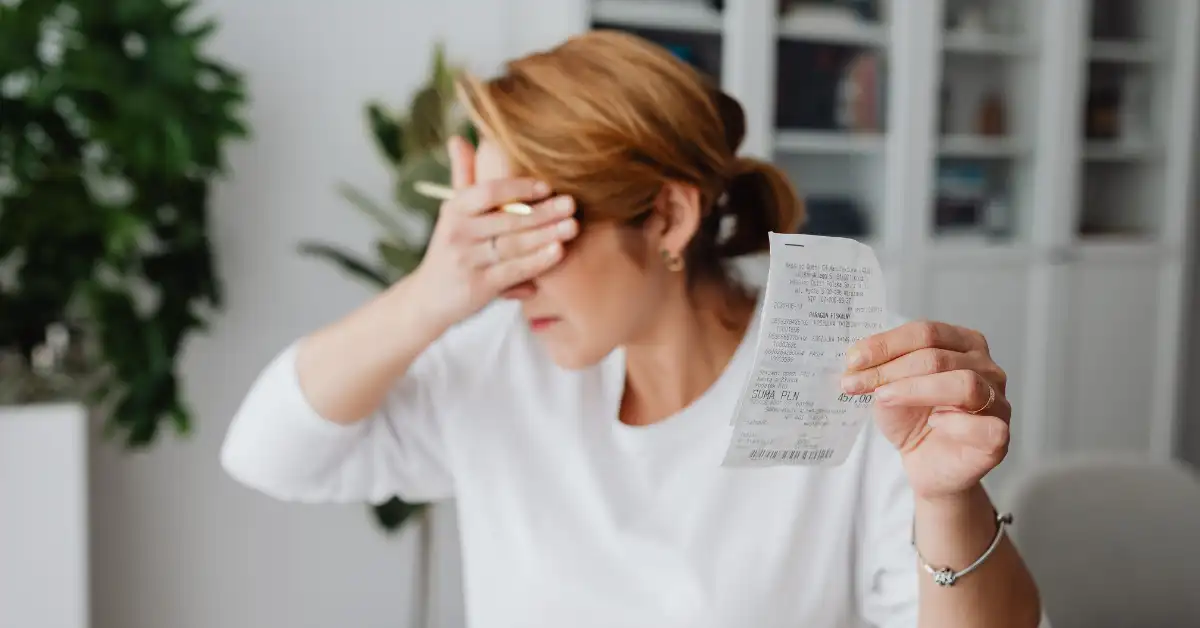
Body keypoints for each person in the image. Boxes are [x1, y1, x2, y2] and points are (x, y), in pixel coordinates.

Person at [221, 30, 1045, 628]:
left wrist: (948, 496)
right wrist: (433, 293)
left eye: (529, 227)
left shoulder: (855, 377)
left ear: (666, 216)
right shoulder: (504, 363)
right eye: (488, 235)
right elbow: (268, 454)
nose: (509, 277)